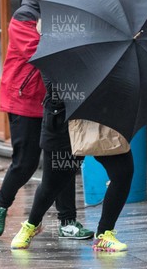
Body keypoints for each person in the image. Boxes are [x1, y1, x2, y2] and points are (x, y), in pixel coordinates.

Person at [0, 0, 93, 240]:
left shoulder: (66, 14)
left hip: (56, 99)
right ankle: (0, 203)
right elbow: (42, 53)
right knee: (26, 162)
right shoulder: (24, 17)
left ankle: (67, 221)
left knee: (62, 160)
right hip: (24, 98)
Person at [10, 76, 133, 252]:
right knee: (53, 183)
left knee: (123, 172)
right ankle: (32, 224)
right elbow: (55, 85)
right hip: (63, 119)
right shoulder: (57, 49)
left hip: (100, 118)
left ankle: (104, 235)